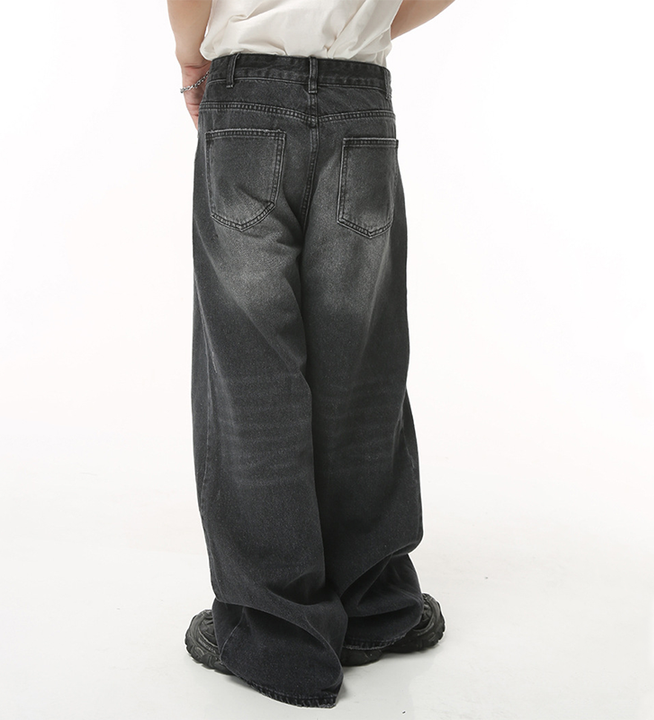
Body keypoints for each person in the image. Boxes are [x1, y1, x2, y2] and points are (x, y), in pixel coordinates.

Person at [167, 0, 456, 708]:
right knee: (362, 366)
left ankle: (278, 634)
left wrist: (190, 57)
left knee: (253, 372)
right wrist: (369, 23)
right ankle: (374, 605)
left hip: (247, 99)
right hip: (359, 103)